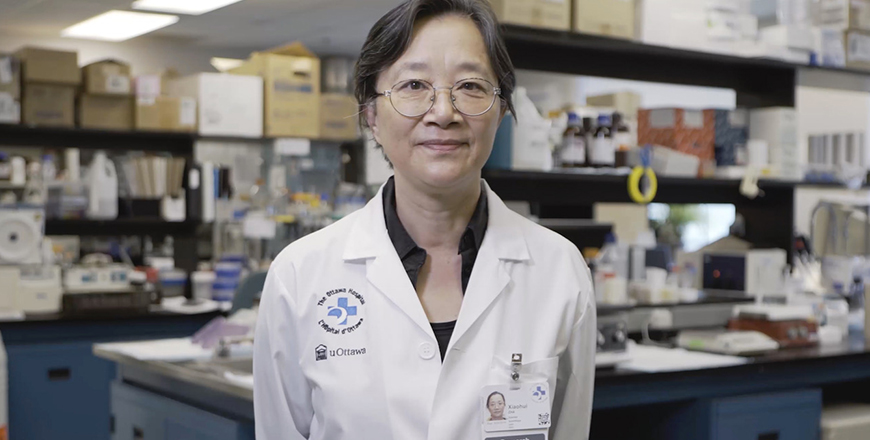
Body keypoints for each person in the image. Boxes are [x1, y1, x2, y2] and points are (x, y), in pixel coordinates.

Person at [253, 0, 596, 439]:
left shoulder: (560, 272)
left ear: (502, 111)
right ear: (372, 116)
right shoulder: (299, 276)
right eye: (414, 84)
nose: (443, 112)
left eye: (471, 86)